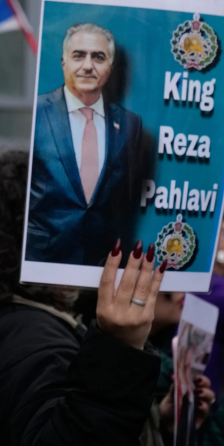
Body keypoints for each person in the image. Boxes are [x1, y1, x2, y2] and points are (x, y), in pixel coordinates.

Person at [0, 151, 164, 446]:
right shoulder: (25, 338)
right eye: (67, 218)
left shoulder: (5, 323)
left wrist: (153, 427)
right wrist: (121, 345)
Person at [25, 23, 144, 266]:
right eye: (79, 55)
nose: (88, 65)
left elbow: (127, 202)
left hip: (102, 266)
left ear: (110, 68)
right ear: (63, 62)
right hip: (41, 262)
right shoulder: (34, 113)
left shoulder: (131, 124)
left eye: (98, 57)